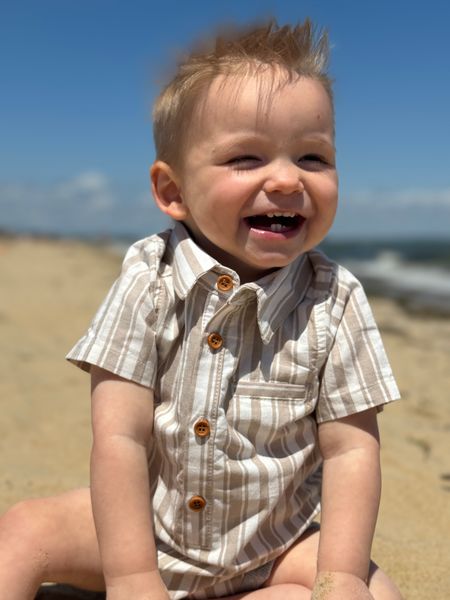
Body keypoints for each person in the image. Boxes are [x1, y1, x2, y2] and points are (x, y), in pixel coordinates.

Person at [0, 19, 403, 600]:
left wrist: (338, 576)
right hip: (144, 531)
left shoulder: (335, 300)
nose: (287, 178)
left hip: (273, 548)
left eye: (313, 158)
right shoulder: (148, 278)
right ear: (174, 193)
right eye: (246, 158)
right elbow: (121, 437)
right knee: (22, 530)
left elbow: (352, 449)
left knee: (368, 589)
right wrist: (133, 577)